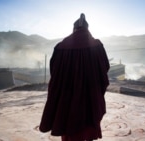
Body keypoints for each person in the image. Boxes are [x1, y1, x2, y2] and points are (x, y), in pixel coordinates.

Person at [39, 13, 110, 141]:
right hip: (90, 96)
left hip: (67, 98)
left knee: (69, 127)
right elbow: (104, 69)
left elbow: (54, 72)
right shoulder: (97, 46)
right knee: (88, 123)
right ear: (88, 29)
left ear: (73, 29)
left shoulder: (61, 47)